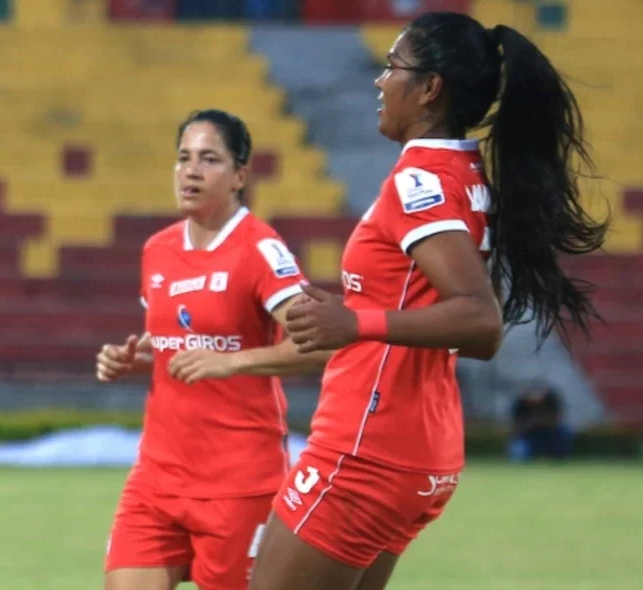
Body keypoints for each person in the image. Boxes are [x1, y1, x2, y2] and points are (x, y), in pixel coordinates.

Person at [249, 12, 607, 590]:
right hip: (415, 447)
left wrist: (356, 321)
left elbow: (480, 320)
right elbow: (427, 296)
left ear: (430, 89)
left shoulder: (423, 184)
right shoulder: (461, 173)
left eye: (393, 66)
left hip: (368, 447)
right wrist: (356, 308)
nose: (379, 80)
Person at [95, 109, 331, 590]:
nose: (191, 170)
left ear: (240, 175)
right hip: (157, 479)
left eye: (209, 159)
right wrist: (136, 356)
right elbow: (181, 342)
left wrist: (232, 363)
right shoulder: (157, 250)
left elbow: (323, 343)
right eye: (183, 158)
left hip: (238, 484)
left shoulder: (260, 249)